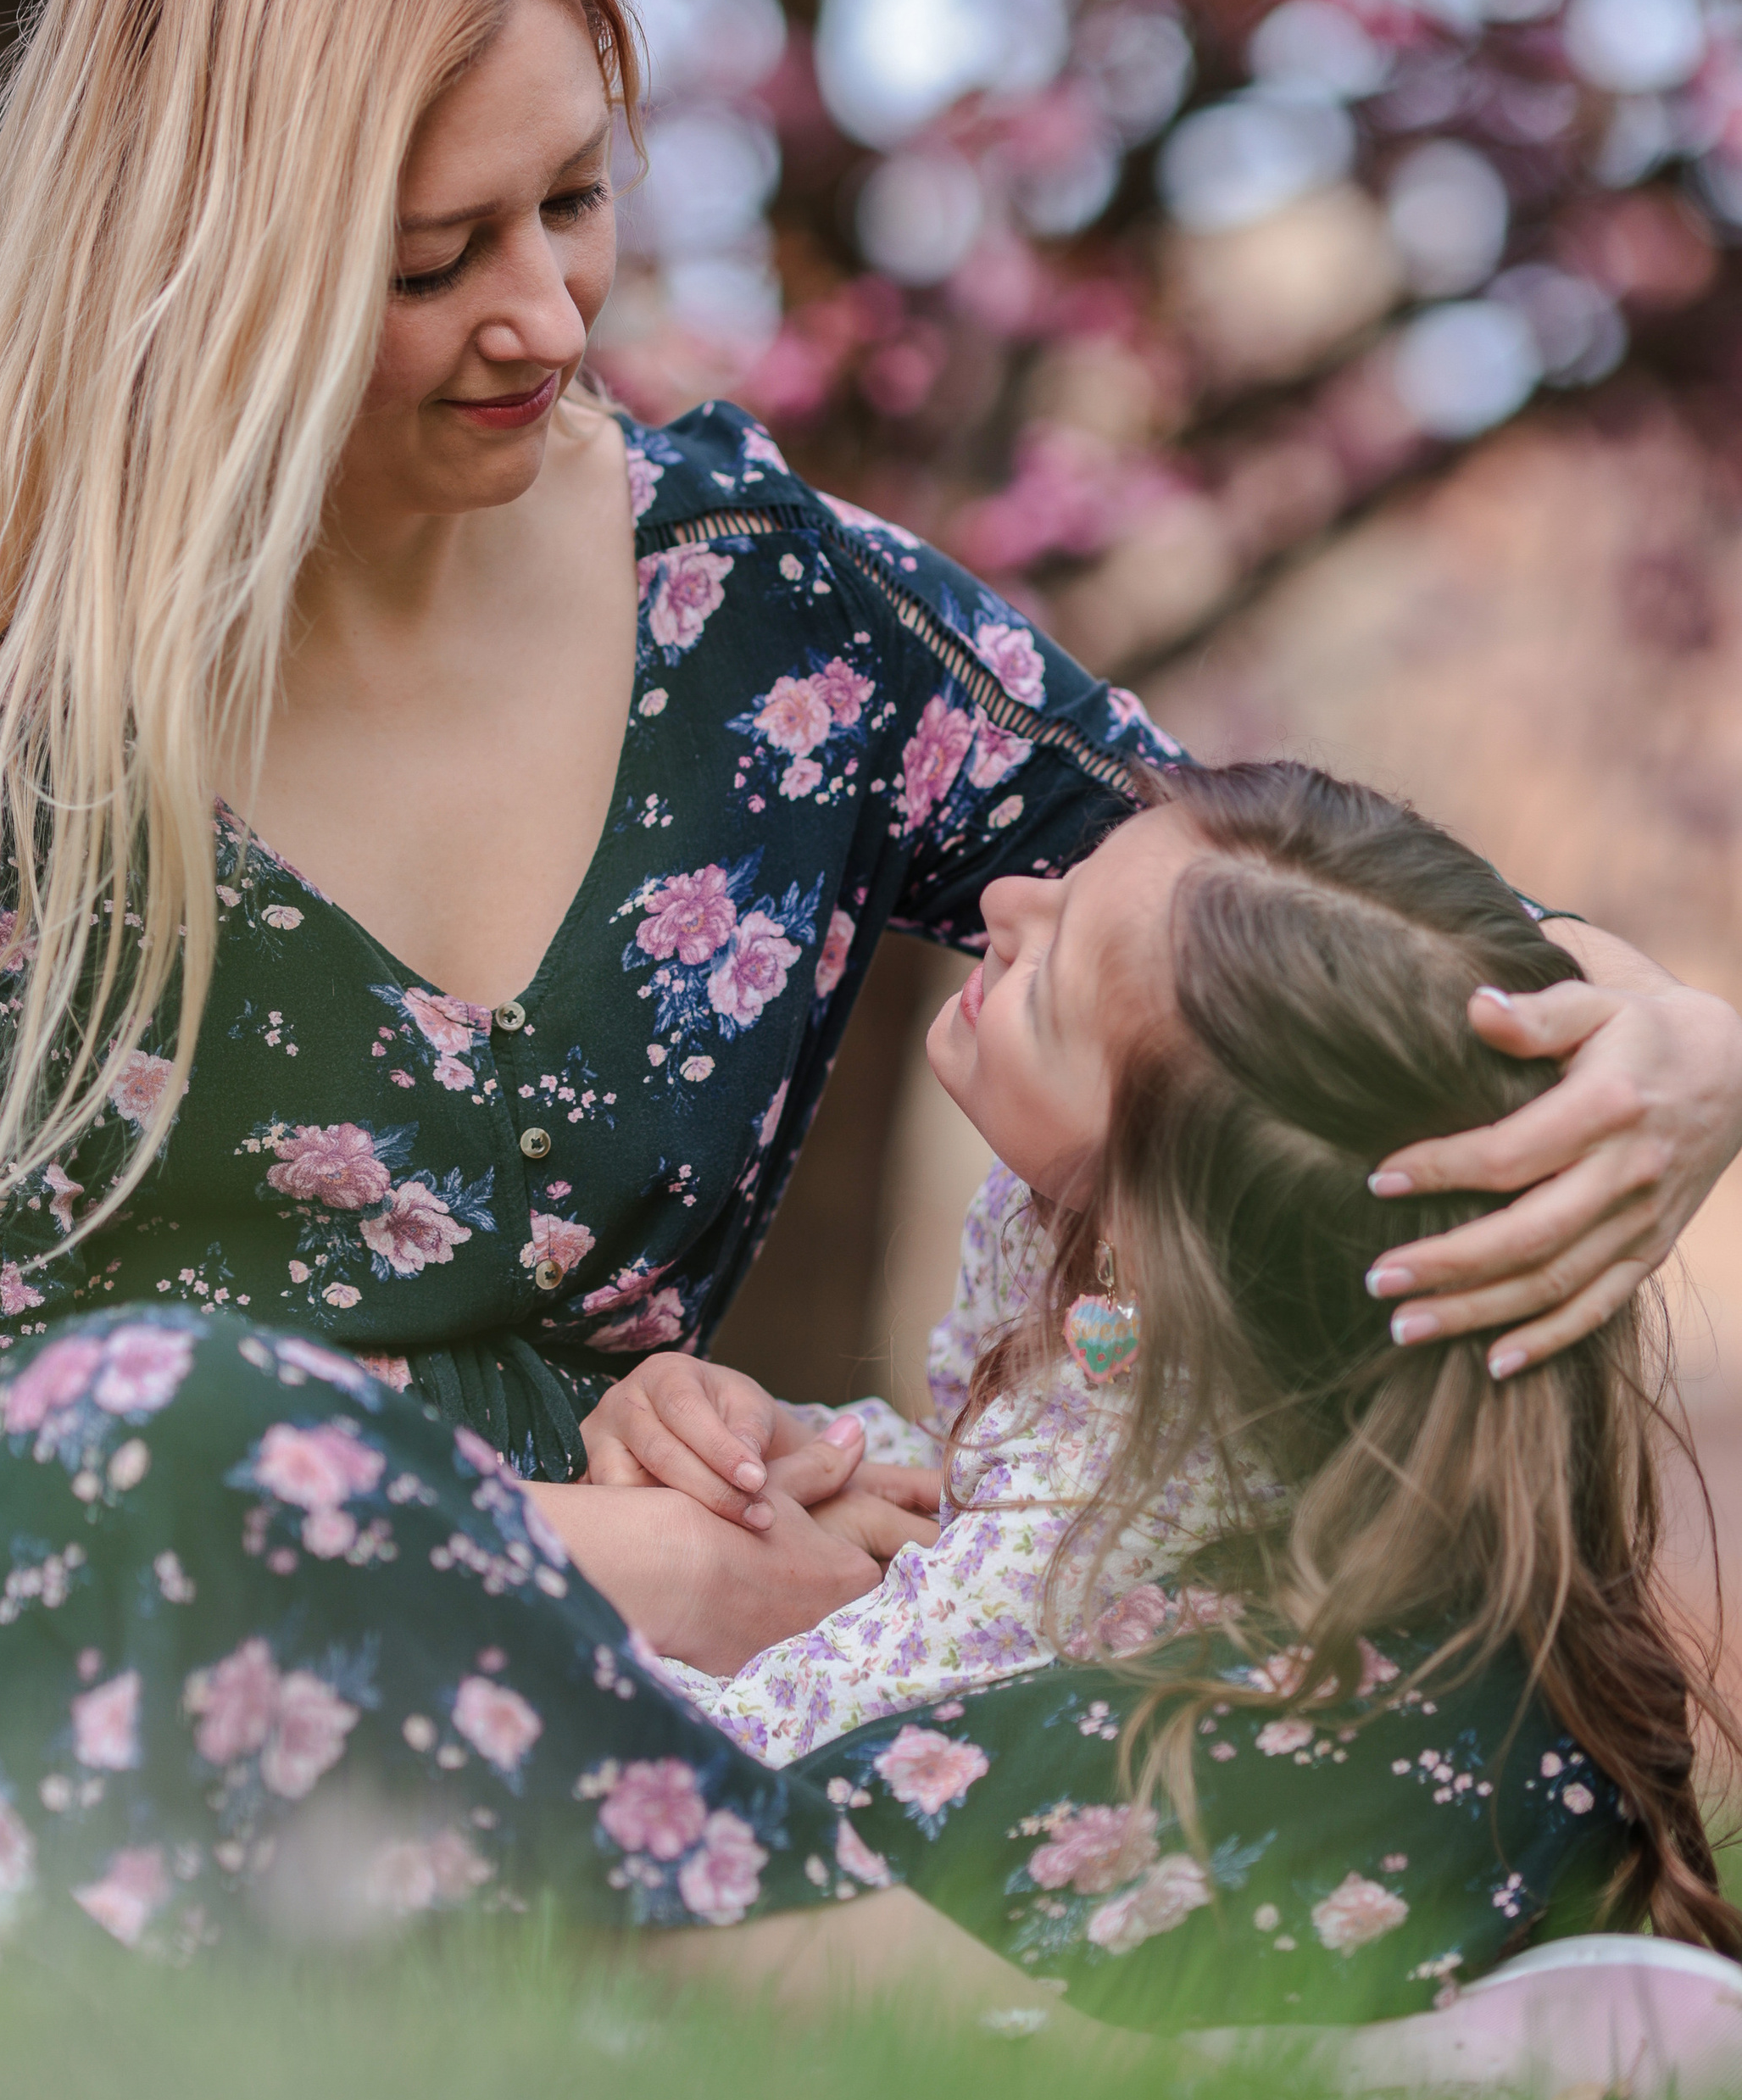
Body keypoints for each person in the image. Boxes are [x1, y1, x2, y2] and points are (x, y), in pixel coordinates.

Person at [0, 0, 1742, 2018]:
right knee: (110, 1455)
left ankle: (765, 1980)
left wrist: (1658, 1029)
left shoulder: (758, 613)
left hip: (734, 1727)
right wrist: (617, 1572)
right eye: (434, 260)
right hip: (169, 1639)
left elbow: (1249, 930)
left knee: (1449, 1670)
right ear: (208, 266)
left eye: (573, 205)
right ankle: (974, 2023)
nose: (547, 323)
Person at [649, 764, 1742, 2014]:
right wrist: (816, 1445)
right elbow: (984, 1482)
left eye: (1047, 987)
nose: (1002, 900)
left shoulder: (1130, 1470)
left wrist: (574, 1636)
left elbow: (773, 1751)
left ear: (1146, 1244)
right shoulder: (1110, 1255)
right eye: (1067, 878)